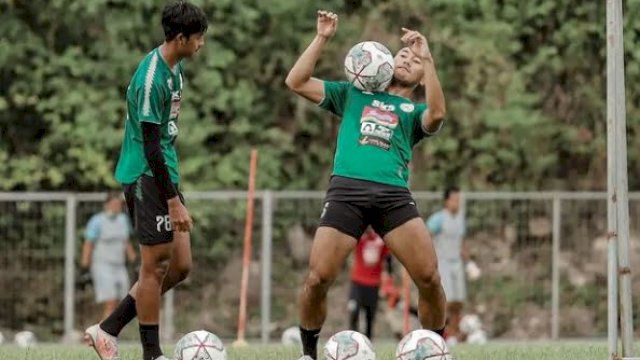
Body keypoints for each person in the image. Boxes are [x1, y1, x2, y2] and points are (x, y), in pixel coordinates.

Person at [285, 10, 447, 360]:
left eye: (415, 59)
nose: (407, 59)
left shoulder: (413, 111)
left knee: (430, 278)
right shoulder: (351, 94)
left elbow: (437, 114)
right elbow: (296, 81)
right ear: (385, 64)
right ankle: (308, 354)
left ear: (421, 76)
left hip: (392, 196)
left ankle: (436, 350)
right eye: (402, 54)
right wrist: (323, 38)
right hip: (347, 192)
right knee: (317, 278)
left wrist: (429, 57)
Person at [84, 2, 207, 360]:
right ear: (181, 37)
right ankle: (151, 354)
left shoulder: (176, 67)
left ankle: (107, 329)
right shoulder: (152, 77)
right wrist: (172, 199)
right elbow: (151, 145)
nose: (201, 44)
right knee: (153, 268)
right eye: (198, 38)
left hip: (165, 173)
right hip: (147, 175)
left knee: (181, 266)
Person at [80, 192, 137, 322]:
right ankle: (104, 334)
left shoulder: (123, 220)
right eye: (114, 204)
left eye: (119, 204)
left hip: (119, 265)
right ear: (106, 205)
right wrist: (84, 265)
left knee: (122, 302)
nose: (116, 207)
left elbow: (125, 241)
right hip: (102, 265)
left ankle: (109, 332)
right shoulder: (97, 221)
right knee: (110, 301)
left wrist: (134, 260)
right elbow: (89, 243)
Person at [426, 187, 468, 342]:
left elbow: (462, 242)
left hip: (457, 262)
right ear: (446, 201)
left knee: (458, 301)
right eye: (454, 200)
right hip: (443, 263)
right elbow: (426, 237)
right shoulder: (438, 219)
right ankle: (445, 333)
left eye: (459, 200)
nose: (457, 203)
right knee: (447, 301)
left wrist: (469, 263)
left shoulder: (460, 219)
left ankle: (456, 333)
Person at [348, 227, 392, 340]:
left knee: (370, 315)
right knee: (353, 309)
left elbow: (388, 258)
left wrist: (388, 276)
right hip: (357, 281)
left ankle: (368, 341)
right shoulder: (358, 236)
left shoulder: (381, 240)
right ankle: (351, 338)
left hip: (373, 283)